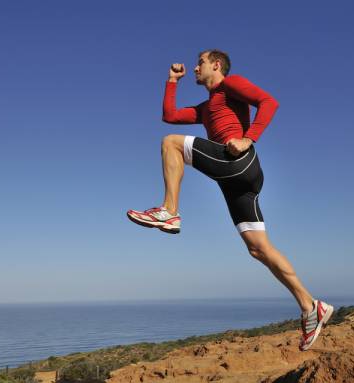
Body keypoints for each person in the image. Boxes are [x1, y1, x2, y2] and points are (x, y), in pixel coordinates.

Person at [127, 49, 333, 351]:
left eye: (200, 62)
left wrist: (249, 138)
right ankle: (310, 306)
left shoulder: (230, 84)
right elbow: (169, 116)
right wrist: (172, 81)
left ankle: (169, 211)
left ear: (216, 65)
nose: (195, 67)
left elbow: (268, 102)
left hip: (239, 160)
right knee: (258, 249)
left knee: (170, 144)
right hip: (236, 181)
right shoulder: (205, 107)